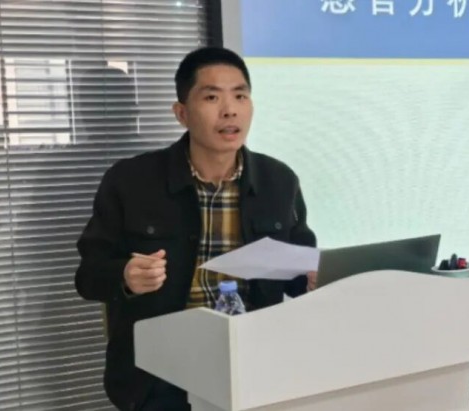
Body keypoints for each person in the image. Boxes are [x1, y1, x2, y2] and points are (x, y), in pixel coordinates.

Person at [74, 47, 317, 411]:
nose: (230, 110)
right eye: (212, 97)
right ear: (182, 113)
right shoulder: (131, 181)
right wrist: (125, 276)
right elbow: (89, 277)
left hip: (254, 363)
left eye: (240, 96)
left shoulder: (278, 181)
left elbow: (298, 272)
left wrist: (311, 279)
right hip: (162, 373)